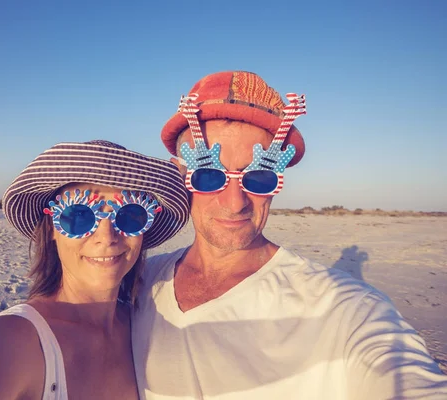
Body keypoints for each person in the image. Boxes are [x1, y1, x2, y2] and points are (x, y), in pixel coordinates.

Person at [132, 71, 447, 399]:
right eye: (210, 176)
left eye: (258, 178)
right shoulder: (137, 284)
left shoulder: (343, 308)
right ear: (179, 174)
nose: (235, 202)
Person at [0, 140, 190, 400]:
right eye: (79, 215)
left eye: (129, 215)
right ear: (52, 228)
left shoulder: (145, 323)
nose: (107, 236)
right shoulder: (9, 343)